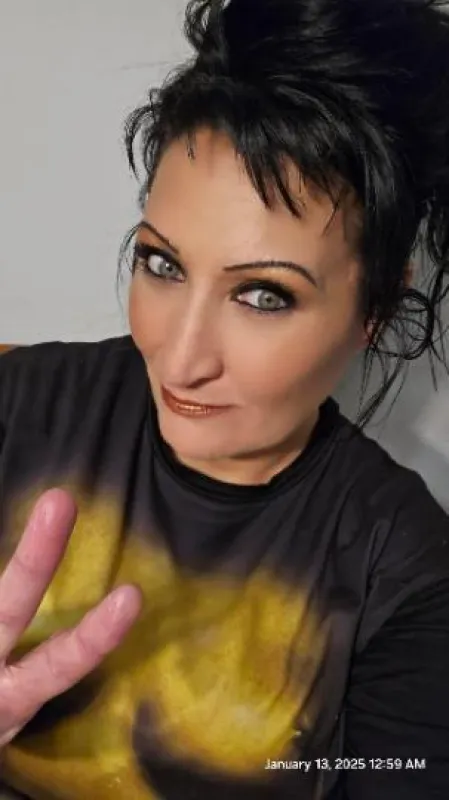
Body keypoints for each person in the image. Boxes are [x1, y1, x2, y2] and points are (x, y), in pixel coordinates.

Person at [0, 0, 449, 797]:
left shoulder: (405, 571)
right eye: (162, 264)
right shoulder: (16, 409)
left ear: (373, 310)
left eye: (263, 295)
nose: (178, 357)